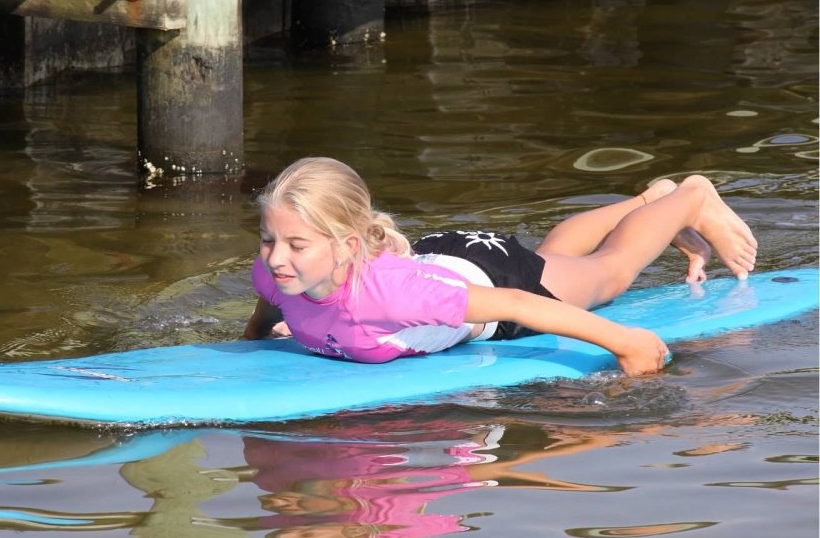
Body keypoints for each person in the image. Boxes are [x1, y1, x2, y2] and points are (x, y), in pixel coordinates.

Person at [243, 157, 758, 375]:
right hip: (438, 260)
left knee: (610, 272)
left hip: (493, 278)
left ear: (347, 246)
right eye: (268, 240)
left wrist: (626, 343)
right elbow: (269, 306)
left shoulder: (389, 296)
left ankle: (690, 197)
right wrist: (254, 342)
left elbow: (516, 302)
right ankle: (649, 200)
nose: (277, 256)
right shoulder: (276, 271)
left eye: (296, 244)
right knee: (554, 258)